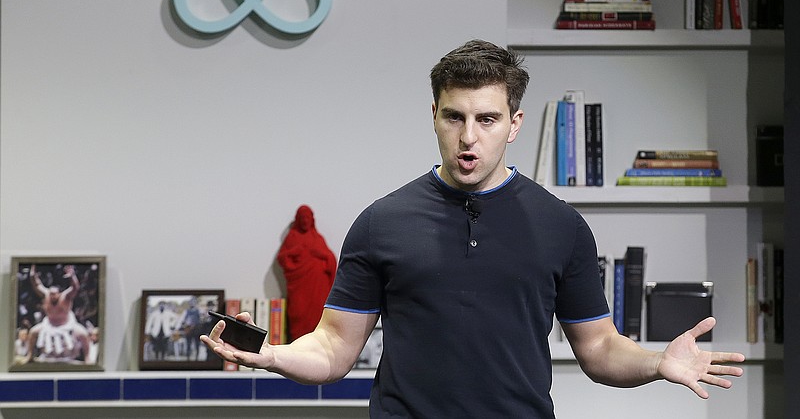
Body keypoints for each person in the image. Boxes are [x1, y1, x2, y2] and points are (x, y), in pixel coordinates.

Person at [202, 40, 745, 417]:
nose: (469, 137)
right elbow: (332, 349)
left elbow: (600, 348)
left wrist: (656, 363)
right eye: (453, 117)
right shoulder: (380, 224)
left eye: (486, 119)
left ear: (514, 125)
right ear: (433, 115)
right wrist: (271, 355)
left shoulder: (562, 226)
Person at [277, 204, 337, 340]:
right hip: (299, 288)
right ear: (298, 219)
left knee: (318, 319)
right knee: (298, 314)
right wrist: (294, 251)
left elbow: (331, 259)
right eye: (302, 218)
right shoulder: (292, 237)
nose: (305, 221)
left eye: (307, 218)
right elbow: (282, 258)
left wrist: (322, 254)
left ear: (312, 219)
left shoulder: (317, 238)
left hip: (318, 289)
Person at [25, 264, 91, 363]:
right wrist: (32, 274)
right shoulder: (46, 295)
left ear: (59, 294)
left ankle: (87, 357)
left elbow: (75, 288)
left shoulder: (66, 297)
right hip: (49, 324)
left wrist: (72, 276)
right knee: (33, 332)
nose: (52, 296)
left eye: (54, 294)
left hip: (67, 324)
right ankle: (30, 355)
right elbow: (37, 284)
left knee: (83, 334)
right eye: (51, 294)